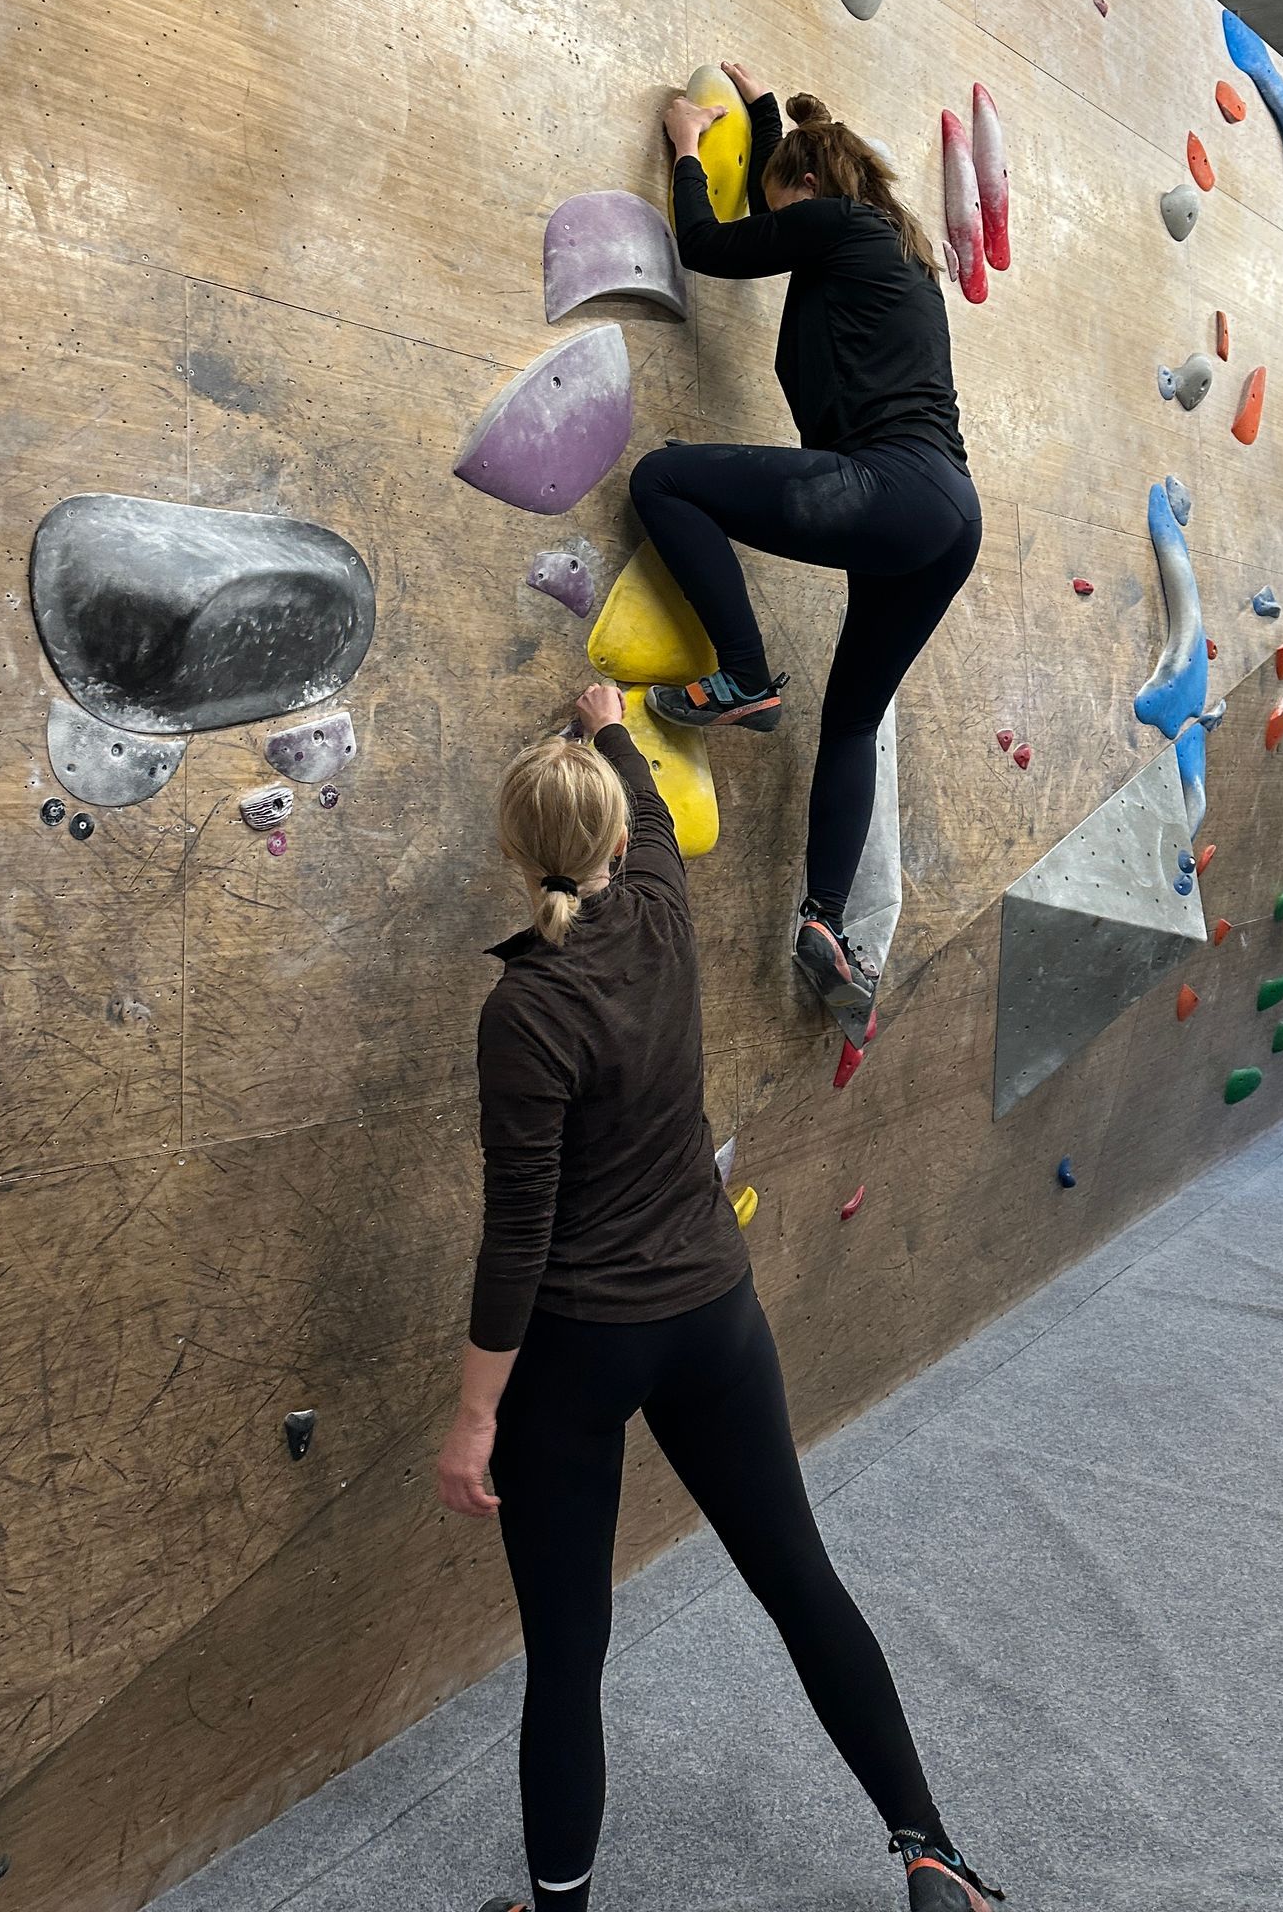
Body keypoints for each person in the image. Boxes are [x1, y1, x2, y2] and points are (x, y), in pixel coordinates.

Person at [437, 680, 1002, 1912]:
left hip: (582, 1353)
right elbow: (644, 800)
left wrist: (477, 1415)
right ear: (616, 844)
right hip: (712, 1318)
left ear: (514, 853)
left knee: (570, 1660)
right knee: (799, 1576)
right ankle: (933, 1856)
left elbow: (518, 1238)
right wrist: (609, 720)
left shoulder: (522, 1008)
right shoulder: (660, 906)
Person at [632, 68, 981, 1036]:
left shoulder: (840, 227)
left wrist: (690, 147)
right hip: (946, 520)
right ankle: (825, 924)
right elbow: (777, 220)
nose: (778, 222)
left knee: (664, 478)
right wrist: (762, 115)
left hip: (894, 489)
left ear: (808, 195)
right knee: (852, 722)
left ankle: (742, 675)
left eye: (780, 201)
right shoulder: (889, 247)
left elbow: (709, 244)